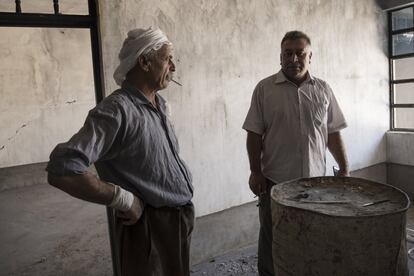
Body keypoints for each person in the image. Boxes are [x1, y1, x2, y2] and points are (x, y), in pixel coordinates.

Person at [46, 27, 194, 276]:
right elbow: (63, 169)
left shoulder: (158, 104)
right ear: (145, 62)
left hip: (176, 223)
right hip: (148, 228)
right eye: (168, 58)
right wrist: (122, 199)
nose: (174, 66)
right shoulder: (117, 110)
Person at [242, 30, 349, 276]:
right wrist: (254, 172)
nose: (293, 59)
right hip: (274, 183)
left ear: (310, 56)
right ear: (280, 57)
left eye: (300, 53)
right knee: (272, 241)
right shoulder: (264, 89)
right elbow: (254, 134)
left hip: (314, 184)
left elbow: (332, 132)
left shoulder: (322, 89)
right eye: (287, 53)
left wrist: (344, 168)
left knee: (311, 237)